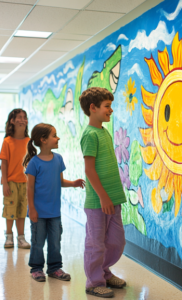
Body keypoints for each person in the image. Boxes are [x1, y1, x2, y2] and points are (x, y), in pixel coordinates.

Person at [79, 87, 127, 298]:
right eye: (107, 106)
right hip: (98, 201)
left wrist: (111, 197)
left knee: (116, 241)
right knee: (96, 243)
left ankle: (104, 272)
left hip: (113, 199)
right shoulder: (89, 134)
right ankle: (94, 281)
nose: (111, 110)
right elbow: (89, 170)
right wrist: (103, 196)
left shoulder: (104, 132)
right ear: (93, 108)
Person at [23, 123, 85, 282]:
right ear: (43, 140)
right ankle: (36, 269)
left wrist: (73, 183)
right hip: (39, 212)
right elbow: (29, 188)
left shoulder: (58, 159)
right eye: (54, 135)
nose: (58, 138)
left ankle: (54, 268)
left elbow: (60, 181)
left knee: (55, 241)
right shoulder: (34, 163)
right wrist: (32, 210)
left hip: (55, 212)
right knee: (38, 242)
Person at [0, 108, 31, 249]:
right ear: (12, 121)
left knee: (22, 211)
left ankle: (21, 237)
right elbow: (4, 163)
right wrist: (5, 182)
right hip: (11, 182)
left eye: (24, 117)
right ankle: (9, 236)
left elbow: (31, 163)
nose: (22, 119)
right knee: (10, 210)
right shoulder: (7, 141)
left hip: (25, 182)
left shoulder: (29, 141)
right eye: (19, 117)